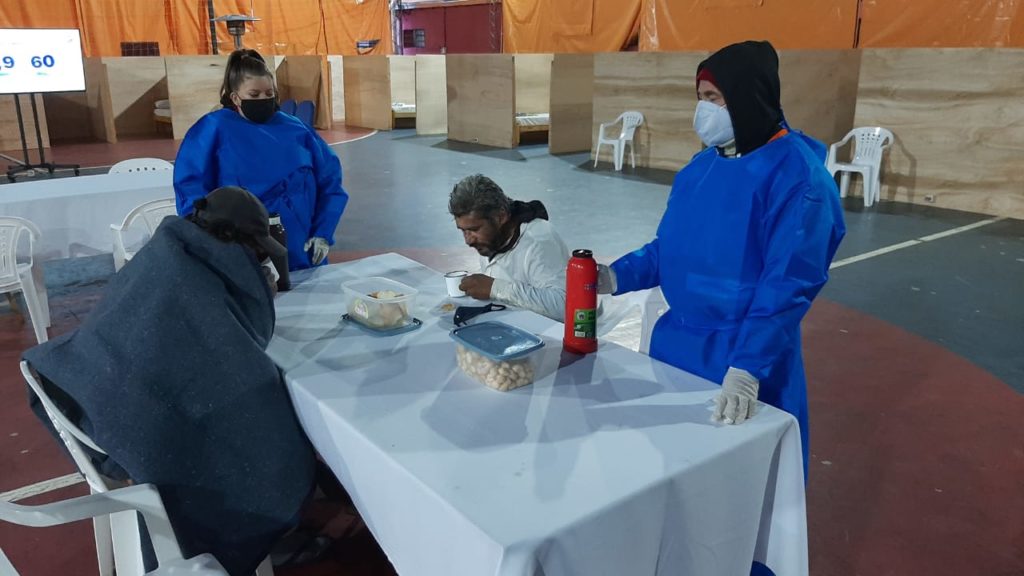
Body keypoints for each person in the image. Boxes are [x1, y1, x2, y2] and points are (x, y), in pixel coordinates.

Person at [23, 186, 317, 576]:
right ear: (232, 240)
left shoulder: (165, 255)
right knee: (268, 434)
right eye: (255, 249)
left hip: (90, 398)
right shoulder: (197, 290)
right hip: (129, 431)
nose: (257, 259)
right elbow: (242, 381)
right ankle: (252, 530)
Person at [598, 41, 846, 476]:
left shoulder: (798, 179)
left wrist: (748, 368)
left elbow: (787, 283)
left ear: (747, 97)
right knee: (671, 469)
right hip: (676, 345)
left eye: (713, 98)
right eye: (700, 98)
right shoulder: (701, 168)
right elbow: (671, 247)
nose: (703, 111)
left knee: (735, 485)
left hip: (741, 356)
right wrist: (616, 276)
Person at [173, 48, 347, 271]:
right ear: (236, 97)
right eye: (254, 95)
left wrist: (323, 232)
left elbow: (330, 181)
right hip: (241, 245)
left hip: (302, 244)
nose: (263, 100)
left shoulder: (296, 129)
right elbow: (192, 189)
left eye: (269, 93)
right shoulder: (212, 129)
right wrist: (211, 239)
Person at [449, 174, 570, 321]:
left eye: (474, 229)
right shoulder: (492, 238)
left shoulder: (538, 241)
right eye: (463, 230)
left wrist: (495, 288)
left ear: (500, 217)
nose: (468, 240)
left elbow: (565, 306)